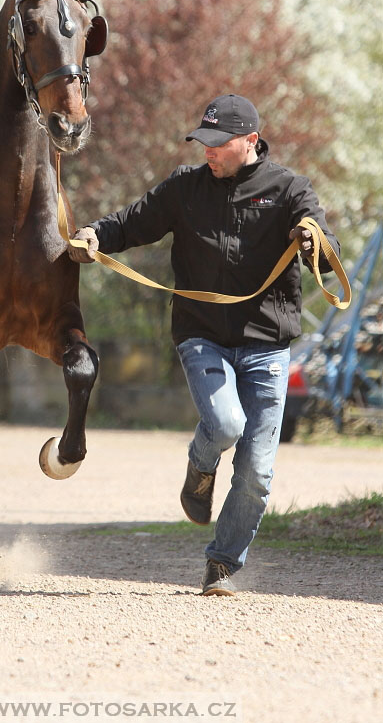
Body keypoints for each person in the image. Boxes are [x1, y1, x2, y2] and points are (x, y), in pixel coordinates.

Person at [68, 94, 339, 596]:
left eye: (218, 143)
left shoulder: (289, 190)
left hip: (267, 346)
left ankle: (222, 564)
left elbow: (327, 247)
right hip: (203, 336)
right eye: (203, 141)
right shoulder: (184, 188)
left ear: (250, 141)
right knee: (225, 424)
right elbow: (132, 221)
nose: (207, 150)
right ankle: (201, 464)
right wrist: (94, 235)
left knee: (257, 472)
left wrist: (313, 241)